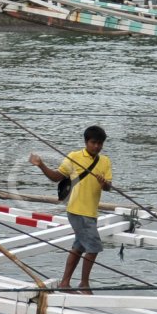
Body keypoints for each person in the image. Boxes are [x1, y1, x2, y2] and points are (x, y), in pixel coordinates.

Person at [29, 125, 113, 293]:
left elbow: (108, 187)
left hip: (91, 211)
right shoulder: (74, 157)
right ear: (86, 142)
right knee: (94, 247)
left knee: (79, 247)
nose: (96, 146)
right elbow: (56, 177)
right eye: (93, 142)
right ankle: (84, 284)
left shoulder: (105, 161)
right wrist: (40, 165)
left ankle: (65, 283)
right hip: (77, 210)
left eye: (100, 143)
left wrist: (104, 184)